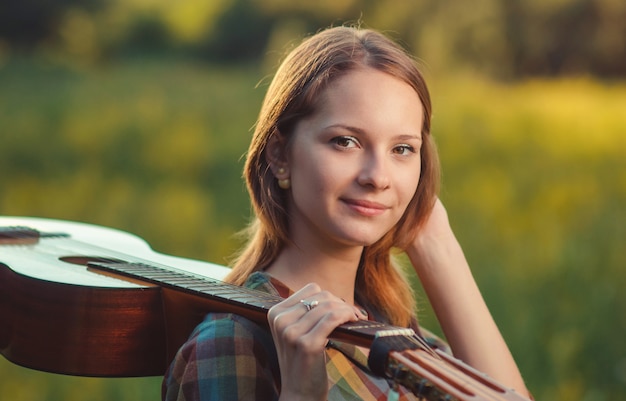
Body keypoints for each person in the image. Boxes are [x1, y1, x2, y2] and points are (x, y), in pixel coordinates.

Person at [162, 25, 531, 400]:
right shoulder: (231, 343)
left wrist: (437, 244)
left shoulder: (391, 329)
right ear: (279, 155)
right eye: (345, 141)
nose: (378, 177)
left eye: (402, 149)